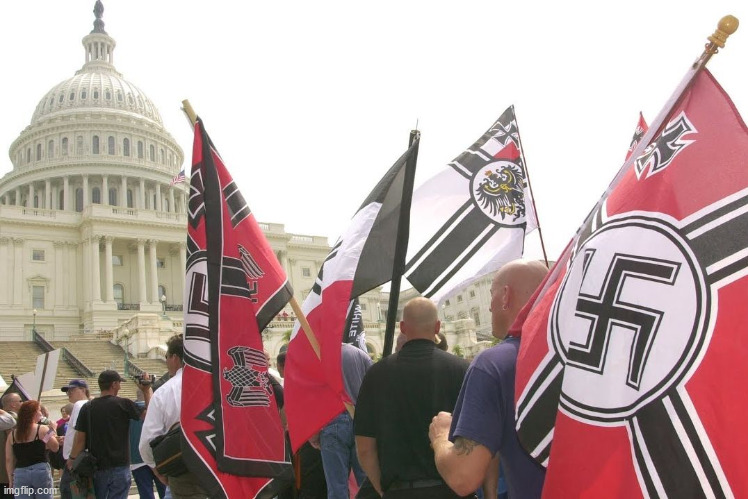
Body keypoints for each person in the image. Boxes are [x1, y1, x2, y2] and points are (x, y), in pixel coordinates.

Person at [429, 260, 549, 499]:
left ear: (505, 296)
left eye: (491, 294)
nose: (491, 308)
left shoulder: (493, 364)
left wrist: (440, 435)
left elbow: (463, 477)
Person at [355, 297, 470, 498]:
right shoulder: (462, 370)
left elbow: (365, 448)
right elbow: (477, 438)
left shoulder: (377, 374)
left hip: (400, 490)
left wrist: (382, 490)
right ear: (437, 327)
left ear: (402, 327)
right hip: (451, 489)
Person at [139, 335, 207, 499]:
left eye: (167, 357)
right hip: (220, 468)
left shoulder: (164, 392)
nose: (167, 362)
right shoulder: (217, 384)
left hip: (183, 470)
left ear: (175, 358)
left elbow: (147, 441)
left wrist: (158, 469)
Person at [70, 370, 152, 499]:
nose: (120, 386)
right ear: (114, 384)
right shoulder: (124, 404)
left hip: (97, 466)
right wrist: (146, 390)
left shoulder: (88, 407)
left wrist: (72, 459)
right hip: (120, 465)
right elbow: (150, 416)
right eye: (119, 383)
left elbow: (80, 439)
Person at [312, 343, 372, 499]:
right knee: (367, 483)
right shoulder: (360, 354)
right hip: (361, 422)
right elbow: (374, 389)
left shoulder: (319, 355)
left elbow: (312, 396)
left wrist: (313, 433)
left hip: (332, 423)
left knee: (337, 485)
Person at [5, 400, 59, 499]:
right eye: (39, 410)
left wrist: (10, 477)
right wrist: (53, 429)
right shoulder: (42, 429)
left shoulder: (12, 435)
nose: (41, 413)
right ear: (33, 413)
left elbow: (9, 459)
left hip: (20, 472)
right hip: (40, 469)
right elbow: (54, 447)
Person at [59, 379, 91, 499]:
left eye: (72, 390)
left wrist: (72, 457)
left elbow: (81, 432)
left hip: (75, 460)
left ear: (83, 390)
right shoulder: (87, 404)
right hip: (81, 458)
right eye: (68, 391)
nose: (69, 393)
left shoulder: (79, 404)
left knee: (68, 492)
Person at [0, 395, 20, 499]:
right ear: (13, 404)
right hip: (12, 473)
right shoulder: (13, 418)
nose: (22, 403)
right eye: (20, 401)